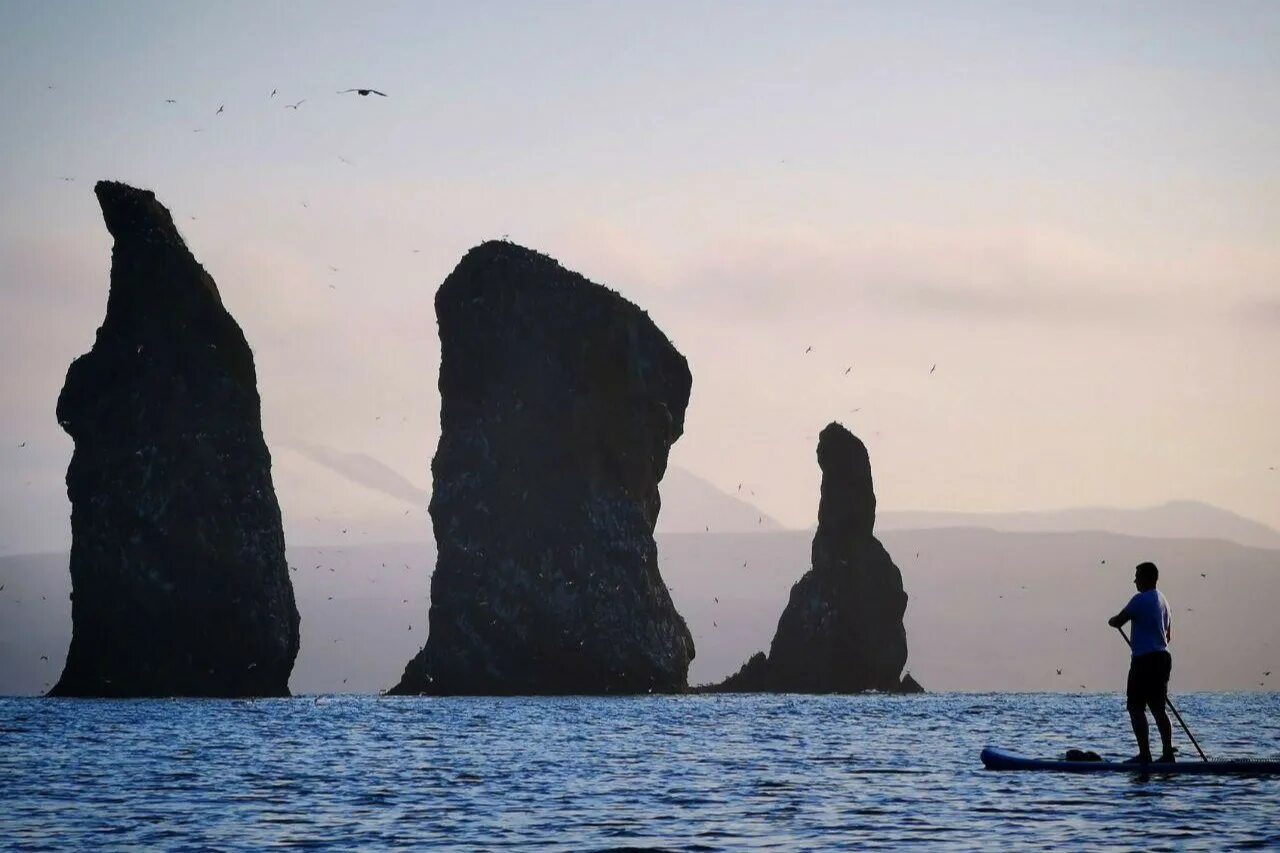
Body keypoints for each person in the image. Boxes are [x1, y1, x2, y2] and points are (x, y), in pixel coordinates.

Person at [1108, 561, 1175, 763]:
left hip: (1144, 660)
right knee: (1158, 708)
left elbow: (1119, 620)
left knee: (1135, 707)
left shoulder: (1139, 600)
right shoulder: (1164, 601)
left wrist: (1111, 621)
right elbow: (1168, 636)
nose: (1134, 580)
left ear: (1146, 578)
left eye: (1137, 576)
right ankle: (1167, 754)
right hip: (1162, 658)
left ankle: (1145, 755)